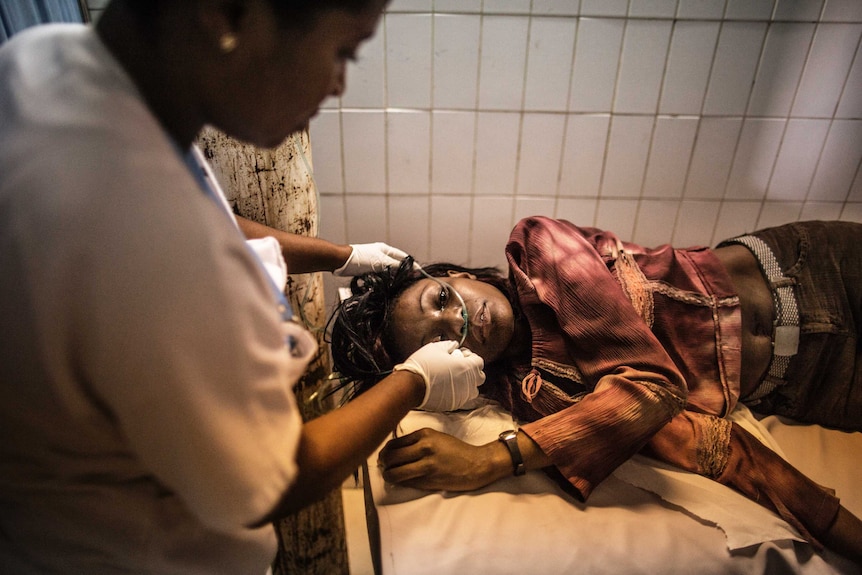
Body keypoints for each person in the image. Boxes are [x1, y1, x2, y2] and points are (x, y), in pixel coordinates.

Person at [0, 1, 484, 573]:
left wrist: (340, 256)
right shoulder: (144, 238)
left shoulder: (46, 59)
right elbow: (274, 478)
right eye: (341, 51)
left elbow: (208, 214)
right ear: (226, 13)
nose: (337, 84)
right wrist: (414, 381)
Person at [329, 216, 862, 564]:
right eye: (445, 337)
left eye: (443, 296)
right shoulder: (540, 398)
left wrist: (494, 459)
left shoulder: (538, 247)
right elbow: (710, 447)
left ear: (456, 272)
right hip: (816, 386)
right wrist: (842, 533)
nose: (464, 317)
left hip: (813, 272)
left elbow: (653, 387)